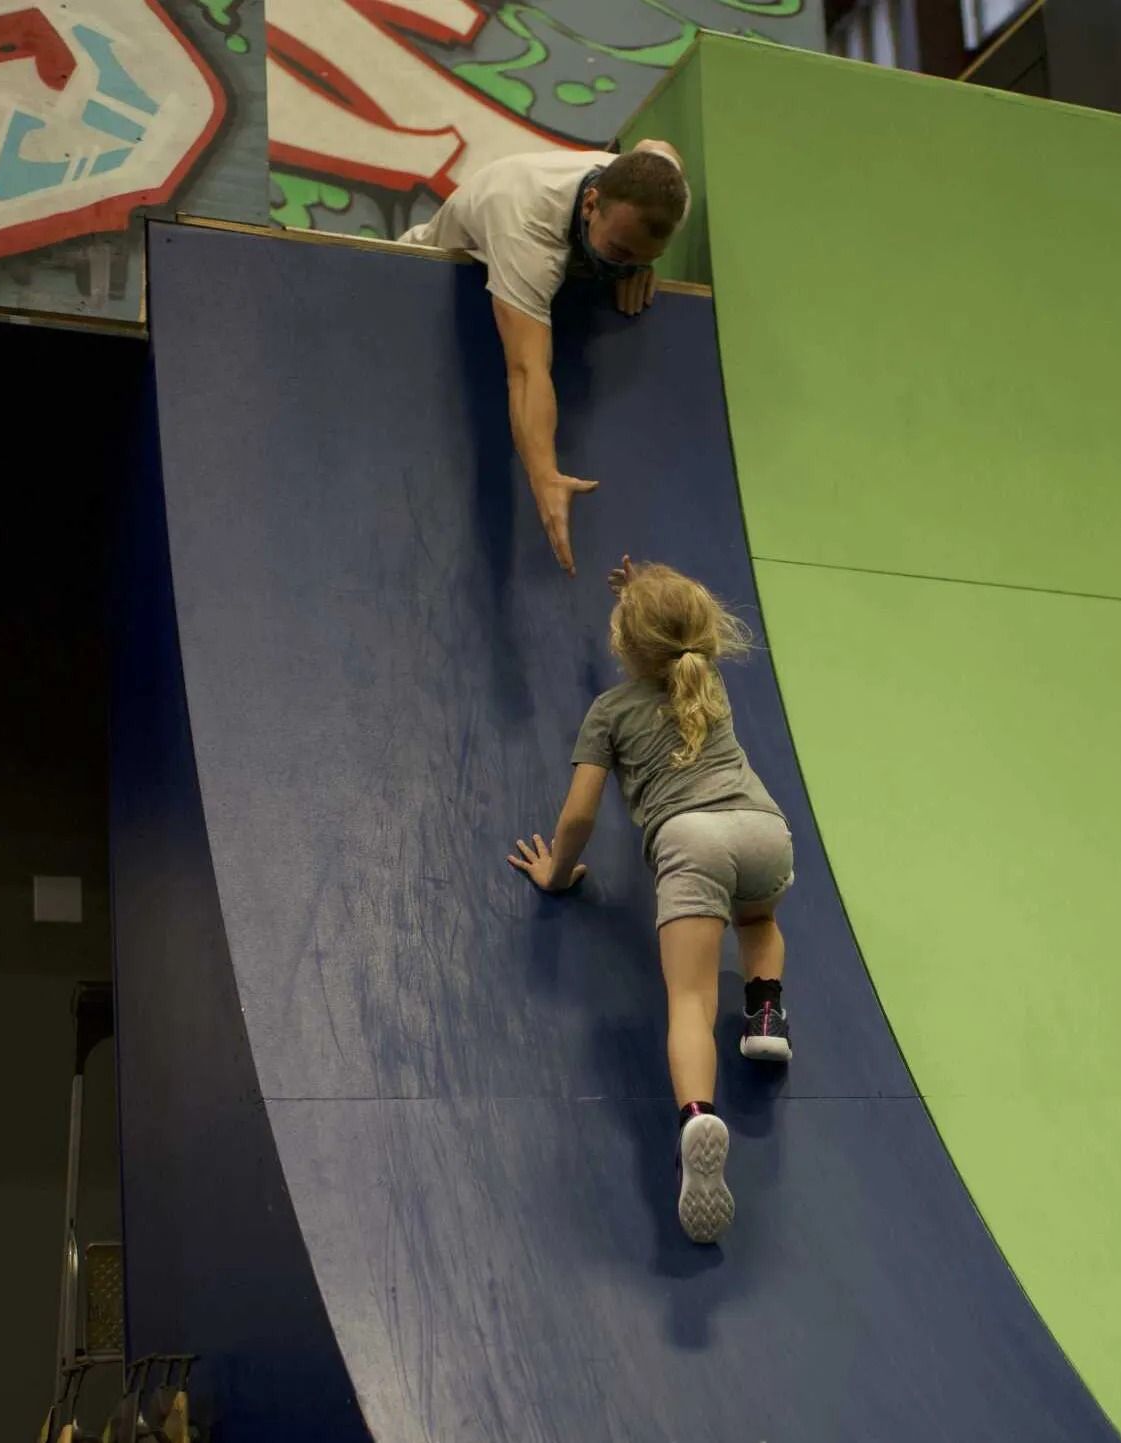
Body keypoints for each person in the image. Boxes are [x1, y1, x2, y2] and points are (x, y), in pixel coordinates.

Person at [507, 556, 793, 1244]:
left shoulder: (608, 711)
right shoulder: (708, 679)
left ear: (623, 645)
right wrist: (646, 588)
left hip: (692, 842)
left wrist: (557, 871)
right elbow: (676, 625)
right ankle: (765, 1013)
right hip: (765, 831)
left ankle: (697, 1116)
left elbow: (579, 814)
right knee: (758, 918)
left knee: (690, 999)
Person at [399, 143, 690, 575]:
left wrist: (635, 266)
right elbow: (526, 370)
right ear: (590, 204)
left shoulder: (667, 196)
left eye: (645, 254)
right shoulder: (526, 227)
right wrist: (545, 474)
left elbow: (658, 149)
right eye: (621, 252)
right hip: (420, 274)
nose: (627, 264)